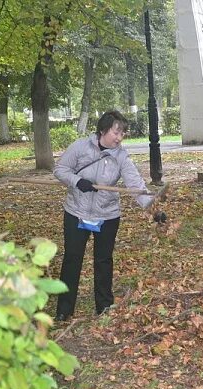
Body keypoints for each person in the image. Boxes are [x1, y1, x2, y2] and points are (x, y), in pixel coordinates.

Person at [53, 111, 154, 321]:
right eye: (116, 132)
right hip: (76, 212)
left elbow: (135, 184)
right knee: (72, 259)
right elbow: (60, 169)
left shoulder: (121, 157)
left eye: (122, 133)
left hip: (106, 215)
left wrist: (152, 208)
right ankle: (64, 309)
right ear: (103, 130)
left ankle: (104, 307)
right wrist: (76, 181)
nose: (119, 137)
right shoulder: (81, 147)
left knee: (103, 261)